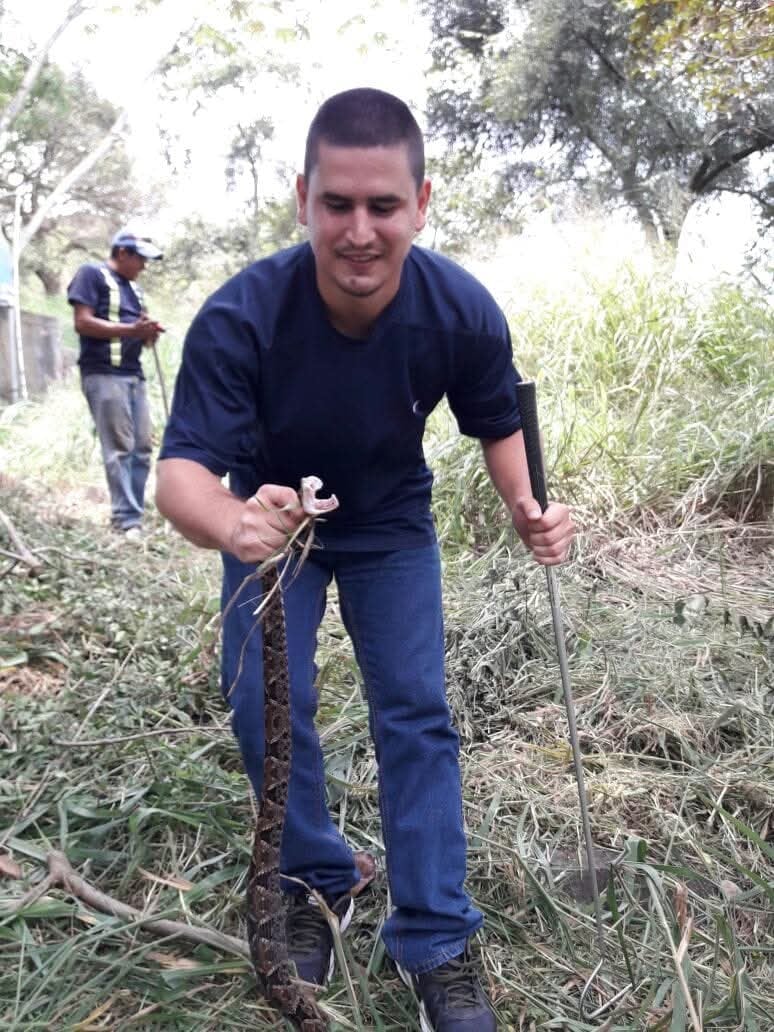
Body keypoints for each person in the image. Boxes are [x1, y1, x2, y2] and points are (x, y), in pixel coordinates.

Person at [156, 88, 574, 1032]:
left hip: (391, 526)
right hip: (274, 528)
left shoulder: (459, 311)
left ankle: (434, 937)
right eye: (336, 204)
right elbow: (180, 477)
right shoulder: (241, 316)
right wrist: (233, 524)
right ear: (302, 196)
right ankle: (314, 882)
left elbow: (497, 421)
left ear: (421, 203)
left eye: (382, 205)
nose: (358, 230)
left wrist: (526, 509)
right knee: (266, 703)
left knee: (416, 714)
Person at [67, 229, 164, 539]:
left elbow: (140, 337)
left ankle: (132, 512)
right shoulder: (91, 274)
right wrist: (130, 330)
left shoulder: (135, 290)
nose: (144, 267)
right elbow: (82, 322)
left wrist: (148, 332)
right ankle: (126, 519)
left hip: (133, 375)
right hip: (104, 374)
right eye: (140, 259)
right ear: (122, 253)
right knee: (120, 447)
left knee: (143, 447)